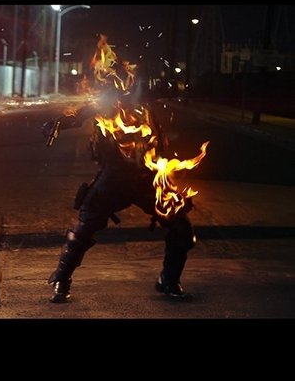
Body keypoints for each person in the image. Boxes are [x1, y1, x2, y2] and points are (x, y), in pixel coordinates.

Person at [42, 34, 208, 303]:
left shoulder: (145, 102)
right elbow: (78, 115)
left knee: (181, 227)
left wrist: (181, 85)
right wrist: (58, 122)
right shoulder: (105, 104)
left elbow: (171, 89)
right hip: (114, 178)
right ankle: (61, 280)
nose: (128, 81)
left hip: (148, 178)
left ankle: (169, 281)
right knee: (84, 229)